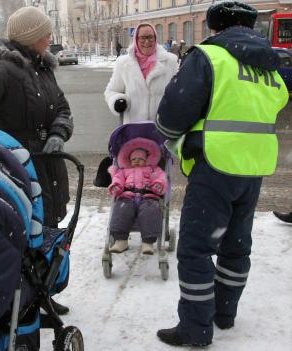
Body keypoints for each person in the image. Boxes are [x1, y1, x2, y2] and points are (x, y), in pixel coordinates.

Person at [155, 1, 289, 346]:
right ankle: (224, 314)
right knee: (236, 244)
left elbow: (175, 110)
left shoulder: (209, 57)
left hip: (215, 165)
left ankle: (196, 329)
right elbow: (278, 100)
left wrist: (166, 134)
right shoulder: (268, 65)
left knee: (196, 249)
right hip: (254, 166)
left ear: (216, 27)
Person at [0, 6, 73, 316]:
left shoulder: (43, 68)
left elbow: (62, 106)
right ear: (30, 36)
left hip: (50, 163)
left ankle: (41, 294)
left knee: (47, 230)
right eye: (45, 33)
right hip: (20, 167)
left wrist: (58, 132)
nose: (49, 37)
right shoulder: (4, 71)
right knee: (24, 234)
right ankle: (19, 300)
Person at [104, 23, 178, 124]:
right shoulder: (123, 63)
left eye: (150, 37)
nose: (147, 41)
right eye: (142, 38)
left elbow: (179, 93)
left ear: (155, 38)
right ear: (136, 40)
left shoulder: (170, 62)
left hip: (162, 128)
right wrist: (117, 100)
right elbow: (111, 91)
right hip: (133, 128)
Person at [108, 138, 168, 255]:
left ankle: (148, 242)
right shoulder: (124, 170)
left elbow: (161, 178)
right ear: (129, 160)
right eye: (134, 159)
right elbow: (118, 179)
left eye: (140, 159)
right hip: (127, 196)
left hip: (148, 197)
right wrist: (116, 186)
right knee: (121, 210)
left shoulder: (153, 169)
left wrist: (158, 184)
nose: (137, 161)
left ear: (147, 159)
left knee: (150, 211)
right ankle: (121, 240)